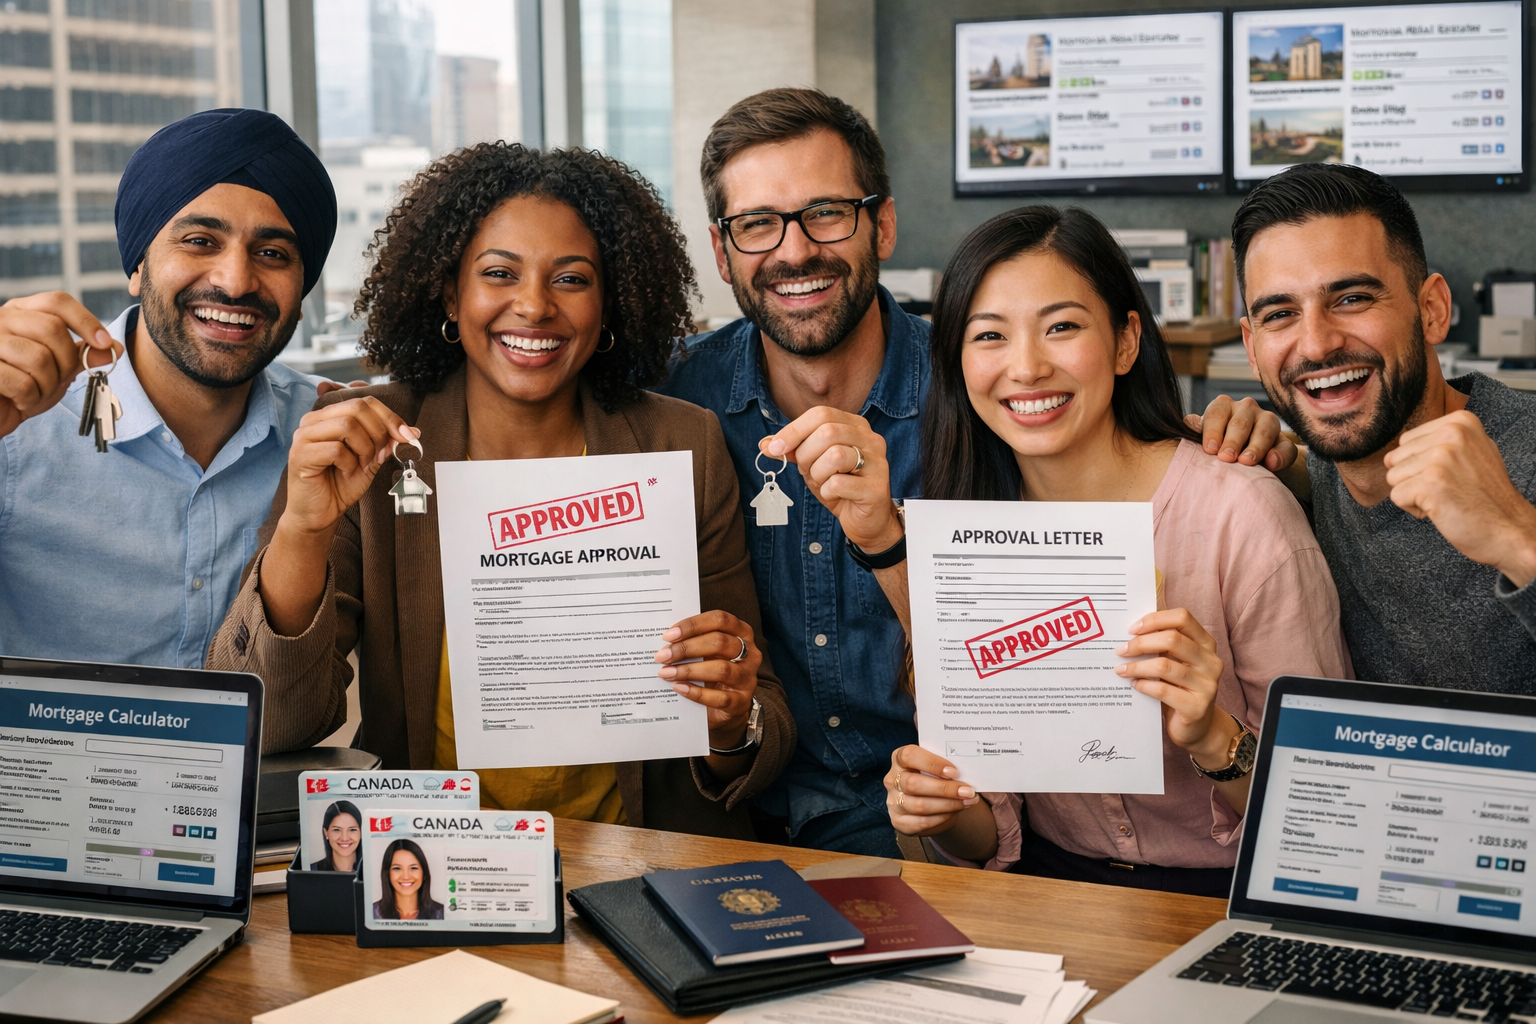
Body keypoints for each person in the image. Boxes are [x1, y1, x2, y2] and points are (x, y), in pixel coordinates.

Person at [657, 88, 1293, 858]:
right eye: (758, 224)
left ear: (882, 224)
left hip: (956, 828)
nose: (794, 250)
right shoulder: (671, 406)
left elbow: (1114, 450)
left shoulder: (982, 396)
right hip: (742, 818)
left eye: (826, 211)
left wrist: (1243, 437)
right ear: (722, 251)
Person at [208, 143, 793, 839]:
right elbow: (271, 723)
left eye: (571, 279)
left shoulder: (682, 443)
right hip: (430, 865)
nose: (535, 306)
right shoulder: (373, 439)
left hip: (643, 866)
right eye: (498, 273)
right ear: (451, 293)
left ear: (609, 303)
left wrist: (731, 717)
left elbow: (760, 723)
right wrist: (303, 529)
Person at [767, 205, 1349, 896]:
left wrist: (1211, 734)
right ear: (956, 363)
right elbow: (987, 831)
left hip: (1231, 894)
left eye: (1062, 327)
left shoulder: (1241, 514)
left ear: (1126, 341)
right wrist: (943, 811)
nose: (1027, 367)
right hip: (1050, 897)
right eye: (989, 336)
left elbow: (1328, 816)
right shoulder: (967, 533)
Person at [0, 108, 336, 667]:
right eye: (201, 241)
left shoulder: (327, 440)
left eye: (273, 254)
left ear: (302, 295)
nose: (235, 281)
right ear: (137, 265)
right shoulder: (20, 422)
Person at [1205, 164, 1536, 690]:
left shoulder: (1527, 458)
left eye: (1352, 299)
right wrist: (1270, 472)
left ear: (1431, 310)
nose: (1316, 344)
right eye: (1280, 314)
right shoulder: (1315, 475)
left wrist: (1519, 538)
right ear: (1251, 347)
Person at [372, 839, 443, 920]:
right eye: (397, 868)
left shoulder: (441, 913)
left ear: (424, 873)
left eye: (413, 868)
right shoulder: (373, 913)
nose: (406, 877)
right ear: (387, 873)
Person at [310, 800, 362, 872]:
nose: (344, 838)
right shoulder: (311, 871)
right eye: (337, 830)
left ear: (361, 832)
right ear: (326, 832)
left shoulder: (374, 870)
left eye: (352, 829)